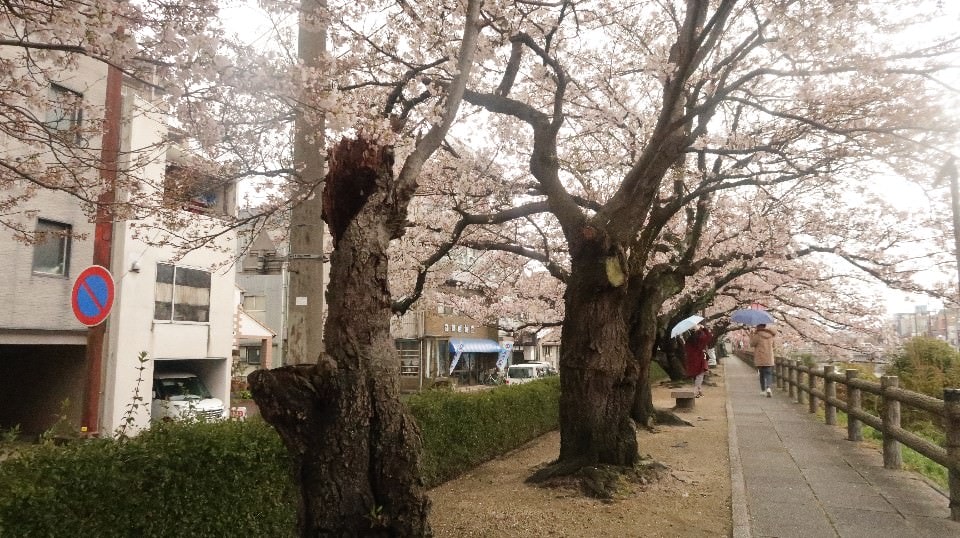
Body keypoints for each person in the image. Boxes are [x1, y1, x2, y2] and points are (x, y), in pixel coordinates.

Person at [683, 325, 713, 397]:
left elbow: (686, 349)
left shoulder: (689, 340)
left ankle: (699, 390)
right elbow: (708, 337)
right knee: (700, 374)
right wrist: (704, 329)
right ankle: (696, 391)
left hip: (691, 359)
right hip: (699, 359)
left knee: (696, 375)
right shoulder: (700, 338)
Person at [750, 323, 777, 397]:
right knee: (768, 373)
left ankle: (763, 390)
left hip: (760, 357)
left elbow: (752, 344)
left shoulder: (757, 335)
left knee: (762, 374)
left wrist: (751, 335)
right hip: (769, 357)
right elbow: (774, 346)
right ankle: (768, 388)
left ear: (758, 326)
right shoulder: (771, 335)